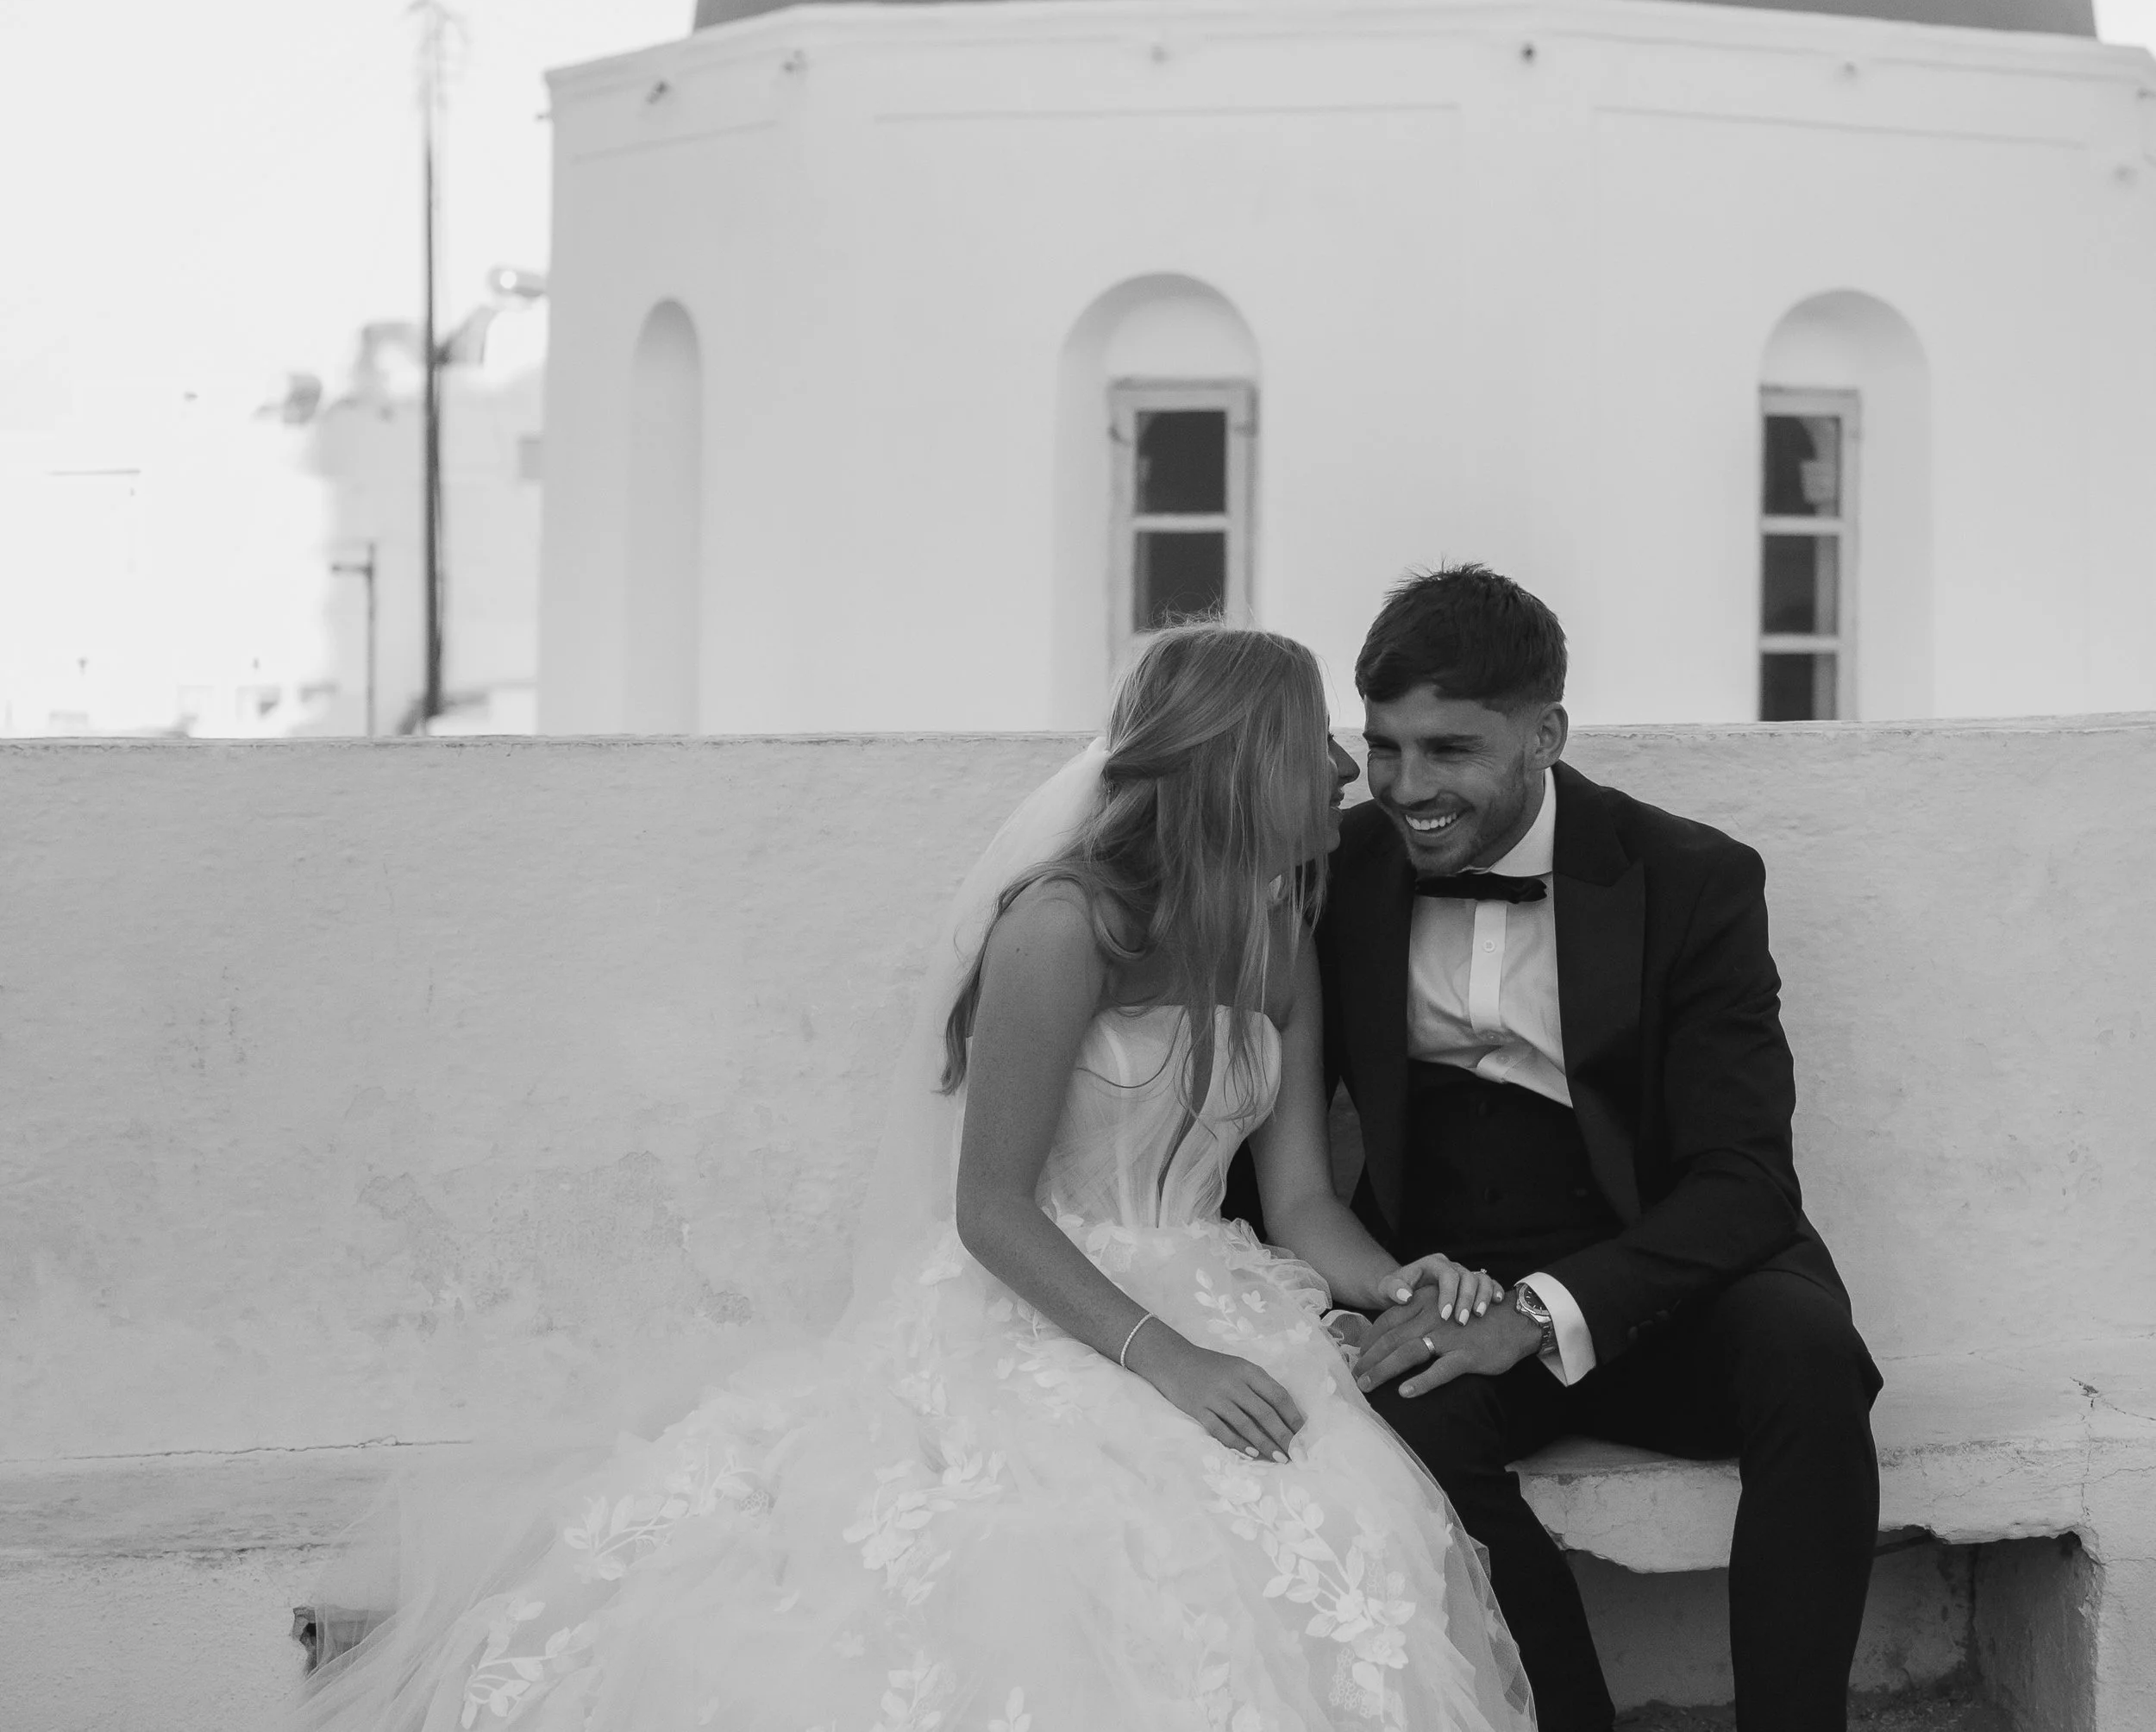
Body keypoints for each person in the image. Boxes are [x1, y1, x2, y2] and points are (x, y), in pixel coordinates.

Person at [304, 624, 1536, 1732]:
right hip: (1052, 1300)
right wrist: (1165, 1354)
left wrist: (1393, 1280)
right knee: (1075, 1546)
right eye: (1310, 732)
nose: (1340, 765)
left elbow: (1307, 1197)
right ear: (1238, 758)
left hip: (1220, 1284)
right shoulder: (1064, 926)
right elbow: (989, 1207)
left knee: (1328, 1507)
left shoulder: (1277, 932)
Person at [1282, 564, 1881, 1732]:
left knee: (1810, 1352)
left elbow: (1747, 1180)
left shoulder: (1691, 878)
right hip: (1444, 1275)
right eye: (1386, 747)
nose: (1408, 786)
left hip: (1659, 1276)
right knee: (1404, 1420)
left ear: (1546, 732)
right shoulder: (1338, 870)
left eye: (1450, 749)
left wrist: (1548, 1308)